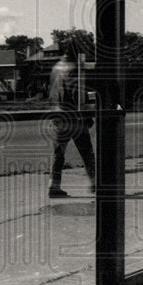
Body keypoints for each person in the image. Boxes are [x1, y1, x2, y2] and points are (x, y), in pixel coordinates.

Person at [47, 39, 96, 198]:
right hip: (74, 117)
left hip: (58, 115)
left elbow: (51, 92)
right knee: (86, 151)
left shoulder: (56, 68)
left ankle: (54, 186)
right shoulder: (75, 68)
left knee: (58, 153)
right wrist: (87, 116)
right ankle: (95, 183)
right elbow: (77, 94)